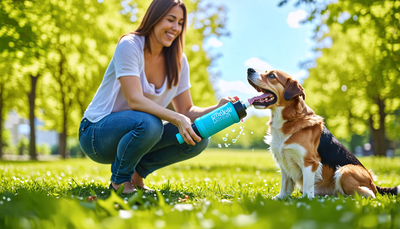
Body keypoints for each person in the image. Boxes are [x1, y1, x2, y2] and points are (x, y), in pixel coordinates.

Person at [78, 0, 237, 193]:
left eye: (180, 22)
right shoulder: (130, 45)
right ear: (154, 18)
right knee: (150, 124)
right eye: (170, 20)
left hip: (139, 133)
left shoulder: (179, 61)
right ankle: (119, 182)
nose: (176, 28)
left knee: (197, 136)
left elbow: (186, 110)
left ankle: (137, 177)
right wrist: (177, 118)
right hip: (95, 134)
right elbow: (134, 99)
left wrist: (218, 107)